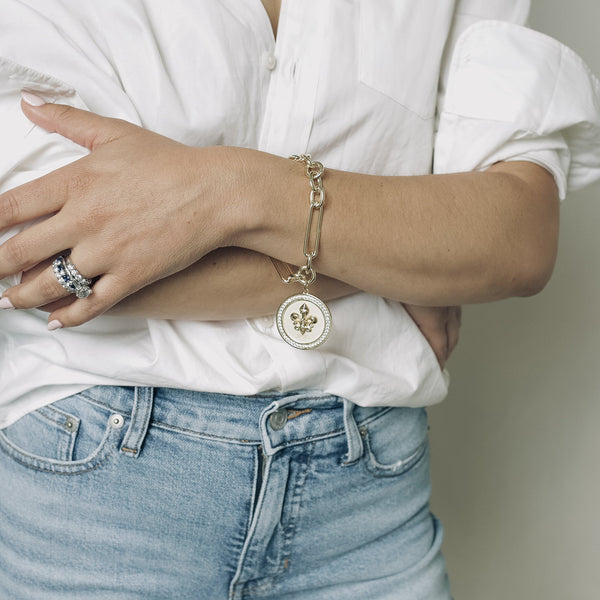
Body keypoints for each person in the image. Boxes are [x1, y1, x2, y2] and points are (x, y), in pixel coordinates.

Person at [0, 1, 598, 598]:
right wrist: (398, 246)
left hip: (368, 496)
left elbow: (515, 240)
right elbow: (42, 259)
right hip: (96, 489)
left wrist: (235, 191)